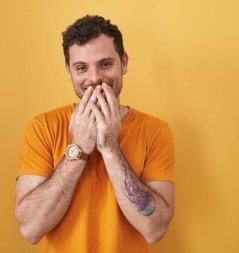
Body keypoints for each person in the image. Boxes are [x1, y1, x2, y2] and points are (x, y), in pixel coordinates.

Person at [14, 15, 175, 253]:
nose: (95, 78)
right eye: (81, 68)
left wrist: (110, 148)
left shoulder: (155, 131)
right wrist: (78, 148)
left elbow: (155, 229)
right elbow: (30, 229)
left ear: (124, 62)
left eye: (105, 64)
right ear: (69, 71)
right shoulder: (43, 127)